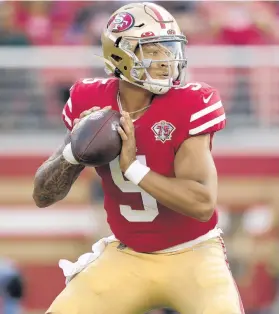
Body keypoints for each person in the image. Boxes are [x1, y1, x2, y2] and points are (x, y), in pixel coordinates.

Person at [32, 2, 244, 314]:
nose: (167, 60)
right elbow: (42, 196)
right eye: (154, 50)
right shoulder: (89, 101)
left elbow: (202, 204)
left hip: (194, 254)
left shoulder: (190, 103)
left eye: (169, 49)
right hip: (127, 255)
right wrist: (74, 151)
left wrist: (133, 169)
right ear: (120, 55)